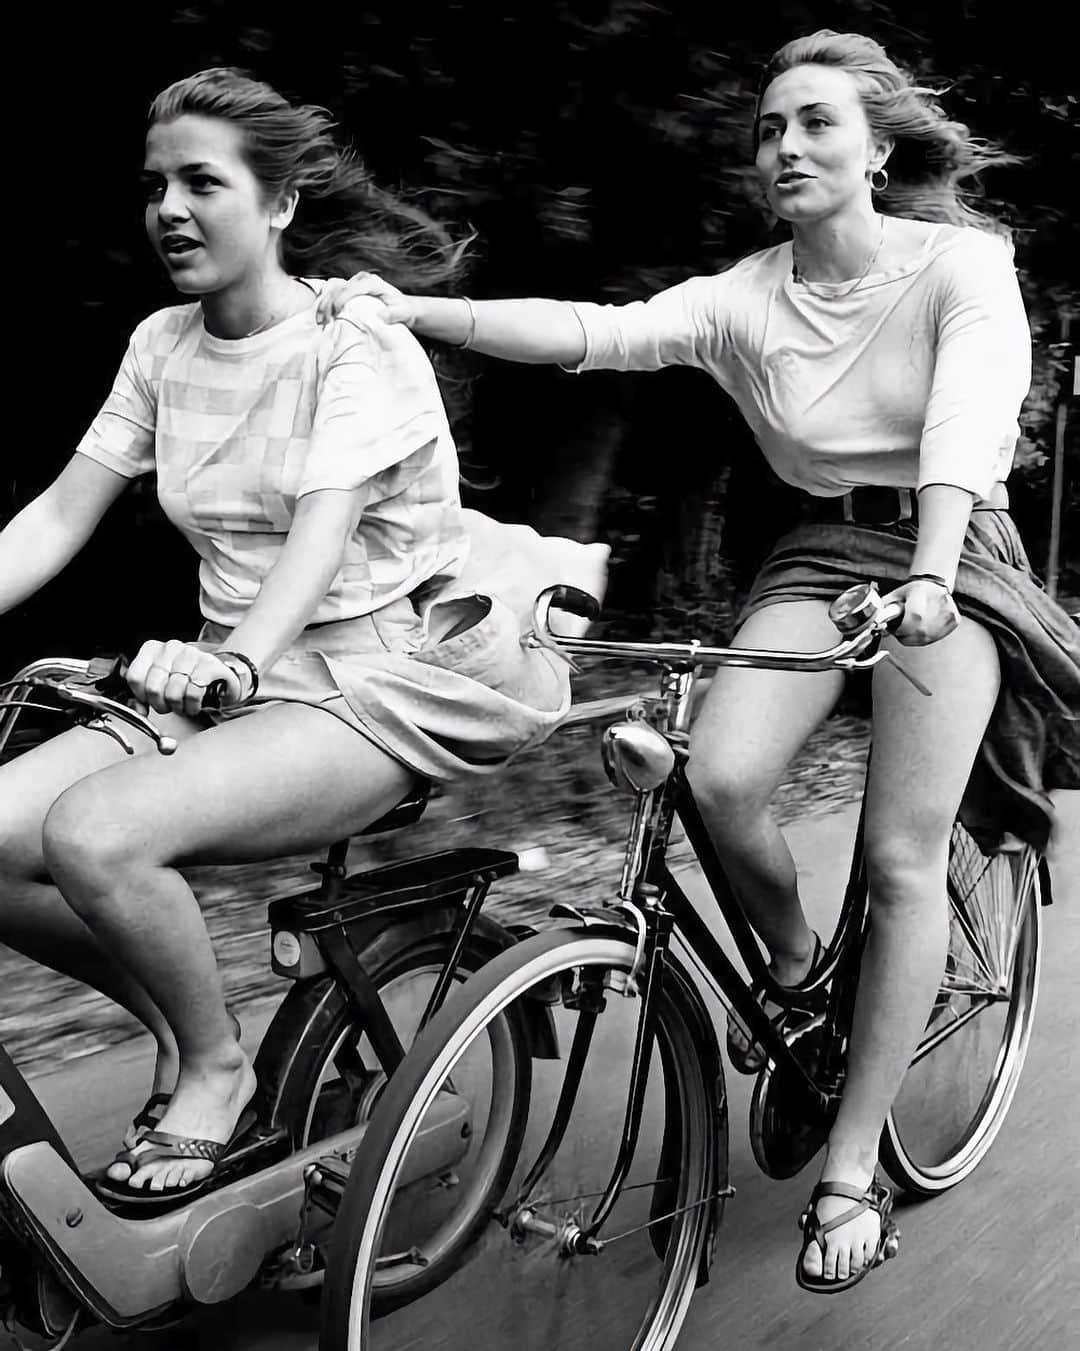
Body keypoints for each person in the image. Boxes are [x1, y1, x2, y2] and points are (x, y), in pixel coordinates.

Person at [316, 29, 1080, 1293]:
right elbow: (591, 331)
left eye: (815, 123)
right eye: (768, 129)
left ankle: (849, 1164)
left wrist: (936, 578)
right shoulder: (744, 295)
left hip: (953, 548)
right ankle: (790, 965)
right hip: (824, 548)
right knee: (716, 779)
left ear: (880, 146)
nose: (783, 147)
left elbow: (963, 426)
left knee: (899, 854)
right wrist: (412, 310)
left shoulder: (963, 266)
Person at [0, 67, 605, 1206]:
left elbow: (316, 544)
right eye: (155, 185)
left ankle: (217, 1073)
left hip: (374, 682)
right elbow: (55, 516)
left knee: (96, 835)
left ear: (277, 204)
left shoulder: (352, 345)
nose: (170, 208)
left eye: (201, 182)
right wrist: (227, 663)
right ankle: (190, 1026)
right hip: (235, 673)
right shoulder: (161, 344)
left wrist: (234, 658)